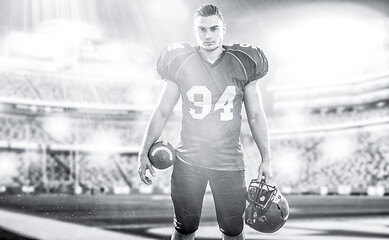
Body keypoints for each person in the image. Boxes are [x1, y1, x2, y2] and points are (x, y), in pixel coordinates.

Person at [138, 4, 272, 240]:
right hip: (189, 161)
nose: (208, 35)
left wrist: (266, 158)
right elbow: (161, 111)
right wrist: (142, 154)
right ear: (194, 31)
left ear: (223, 29)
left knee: (233, 232)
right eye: (202, 30)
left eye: (213, 29)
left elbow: (256, 115)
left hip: (229, 162)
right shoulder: (180, 60)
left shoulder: (243, 61)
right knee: (184, 229)